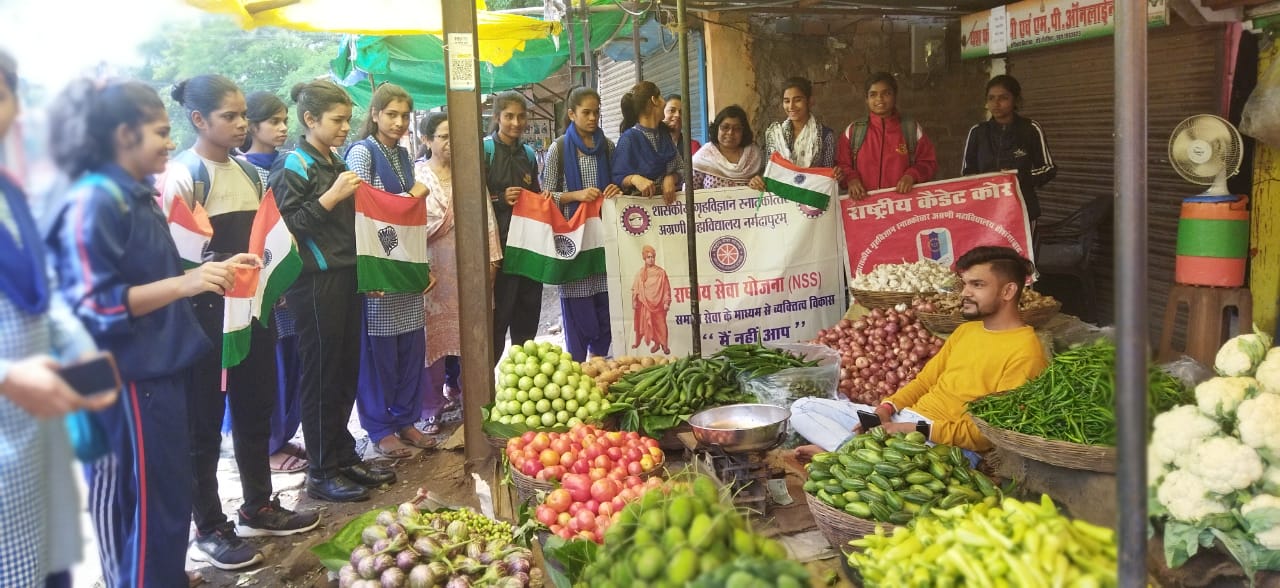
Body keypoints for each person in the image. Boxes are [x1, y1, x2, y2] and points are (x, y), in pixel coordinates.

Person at [44, 76, 257, 587]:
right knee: (138, 504)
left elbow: (149, 276)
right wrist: (186, 284)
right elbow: (93, 305)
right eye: (160, 131)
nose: (169, 142)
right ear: (122, 135)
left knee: (164, 495)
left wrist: (214, 268)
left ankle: (162, 575)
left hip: (157, 370)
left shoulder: (132, 194)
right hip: (127, 380)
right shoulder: (94, 201)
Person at [159, 75, 320, 571]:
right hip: (202, 321)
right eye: (228, 116)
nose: (239, 124)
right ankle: (209, 525)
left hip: (250, 312)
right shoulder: (183, 176)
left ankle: (258, 505)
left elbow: (267, 240)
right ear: (198, 120)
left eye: (241, 115)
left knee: (256, 407)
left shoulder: (252, 173)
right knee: (203, 425)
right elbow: (175, 261)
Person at [0, 49, 114, 588]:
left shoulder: (11, 193)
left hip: (34, 431)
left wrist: (80, 348)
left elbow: (43, 291)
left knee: (46, 563)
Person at [792, 246, 1048, 456]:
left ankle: (844, 454)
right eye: (965, 284)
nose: (965, 293)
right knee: (801, 408)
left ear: (1008, 291)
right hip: (905, 420)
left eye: (977, 285)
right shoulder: (967, 332)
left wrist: (911, 429)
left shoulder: (1026, 351)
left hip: (941, 444)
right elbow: (924, 381)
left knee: (893, 459)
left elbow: (985, 435)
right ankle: (850, 452)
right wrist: (886, 409)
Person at [270, 80, 395, 503]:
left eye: (347, 119)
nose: (346, 127)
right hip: (315, 283)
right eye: (338, 120)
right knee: (321, 375)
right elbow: (286, 229)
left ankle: (342, 456)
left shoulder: (335, 159)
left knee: (344, 370)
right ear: (310, 120)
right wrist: (329, 197)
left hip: (346, 276)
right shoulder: (293, 166)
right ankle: (320, 471)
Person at [342, 83, 435, 458]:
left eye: (404, 116)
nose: (398, 122)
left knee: (410, 348)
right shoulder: (362, 153)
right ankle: (380, 428)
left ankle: (406, 420)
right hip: (378, 266)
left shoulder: (402, 155)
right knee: (379, 355)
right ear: (375, 114)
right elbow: (360, 206)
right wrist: (412, 195)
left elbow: (408, 217)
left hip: (404, 262)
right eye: (391, 114)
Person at [415, 113, 503, 432]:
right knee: (432, 342)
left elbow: (488, 220)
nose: (451, 143)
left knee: (474, 336)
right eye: (443, 136)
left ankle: (473, 400)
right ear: (427, 140)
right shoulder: (417, 178)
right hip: (433, 272)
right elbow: (410, 228)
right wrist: (416, 271)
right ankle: (430, 407)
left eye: (456, 136)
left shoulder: (469, 175)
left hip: (470, 269)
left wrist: (492, 262)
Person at [239, 90, 307, 474]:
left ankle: (283, 435)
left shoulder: (285, 164)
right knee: (274, 367)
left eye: (285, 121)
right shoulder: (247, 170)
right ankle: (269, 445)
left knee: (292, 360)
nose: (283, 129)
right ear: (253, 126)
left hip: (289, 280)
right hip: (264, 286)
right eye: (274, 122)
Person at [540, 87, 621, 361]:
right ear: (572, 114)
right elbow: (546, 195)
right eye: (586, 112)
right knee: (577, 308)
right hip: (573, 241)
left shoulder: (608, 147)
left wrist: (614, 190)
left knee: (606, 305)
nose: (592, 118)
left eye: (596, 112)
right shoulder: (560, 148)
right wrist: (577, 195)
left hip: (602, 239)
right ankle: (575, 366)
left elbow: (620, 183)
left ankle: (598, 363)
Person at [486, 91, 543, 363]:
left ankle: (524, 374)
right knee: (498, 318)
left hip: (528, 250)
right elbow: (470, 198)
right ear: (497, 118)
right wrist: (499, 199)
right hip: (498, 252)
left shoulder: (529, 155)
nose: (515, 122)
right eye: (509, 116)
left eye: (521, 117)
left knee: (527, 314)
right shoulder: (484, 151)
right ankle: (489, 385)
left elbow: (537, 195)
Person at [962, 74, 1057, 226]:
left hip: (1023, 209)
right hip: (987, 211)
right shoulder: (978, 132)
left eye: (1003, 98)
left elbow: (1048, 168)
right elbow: (967, 173)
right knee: (990, 250)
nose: (996, 104)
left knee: (1023, 251)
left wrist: (1016, 177)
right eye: (991, 98)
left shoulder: (1030, 129)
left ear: (1016, 100)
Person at [836, 72, 939, 200]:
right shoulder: (854, 131)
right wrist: (851, 179)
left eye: (886, 93)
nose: (879, 99)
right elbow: (841, 165)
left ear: (895, 96)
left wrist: (911, 176)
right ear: (866, 99)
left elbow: (928, 163)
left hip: (902, 205)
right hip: (863, 207)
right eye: (873, 95)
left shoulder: (911, 129)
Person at [756, 77, 839, 187]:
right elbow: (770, 173)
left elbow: (826, 178)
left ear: (810, 101)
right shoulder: (775, 136)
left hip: (811, 197)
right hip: (780, 199)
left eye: (797, 100)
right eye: (786, 101)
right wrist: (759, 182)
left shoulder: (825, 136)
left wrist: (836, 175)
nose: (791, 106)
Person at [612, 81, 682, 205]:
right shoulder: (628, 139)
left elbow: (682, 169)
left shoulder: (665, 135)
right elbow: (616, 177)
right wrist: (634, 179)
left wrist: (671, 177)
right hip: (641, 212)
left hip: (670, 210)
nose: (664, 102)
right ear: (654, 100)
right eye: (661, 97)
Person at [692, 105, 766, 190]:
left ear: (743, 131)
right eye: (725, 127)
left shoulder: (754, 155)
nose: (730, 132)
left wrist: (758, 183)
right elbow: (689, 192)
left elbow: (765, 186)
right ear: (717, 129)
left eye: (737, 129)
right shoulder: (704, 155)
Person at [630, 245, 672, 354]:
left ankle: (664, 345)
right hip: (645, 304)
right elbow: (635, 289)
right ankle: (656, 344)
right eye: (648, 257)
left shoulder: (661, 272)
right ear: (644, 258)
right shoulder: (641, 273)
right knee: (651, 325)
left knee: (661, 325)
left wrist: (666, 302)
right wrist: (634, 301)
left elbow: (666, 289)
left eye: (652, 257)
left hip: (659, 305)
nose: (651, 259)